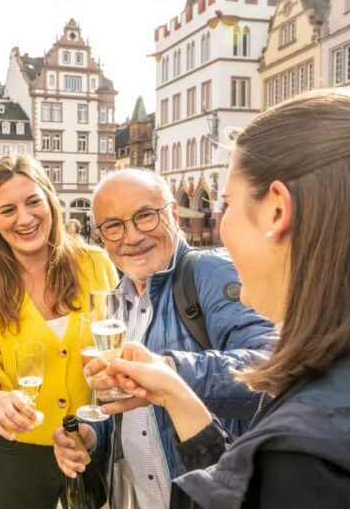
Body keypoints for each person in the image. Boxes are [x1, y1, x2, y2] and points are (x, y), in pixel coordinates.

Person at [93, 89, 350, 507]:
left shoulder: (309, 456)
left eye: (227, 203)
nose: (220, 226)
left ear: (276, 211)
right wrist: (176, 396)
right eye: (113, 226)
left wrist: (174, 371)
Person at [53, 168, 277, 508]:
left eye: (144, 216)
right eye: (114, 226)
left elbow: (271, 368)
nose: (131, 237)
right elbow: (122, 403)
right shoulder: (118, 301)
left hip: (206, 493)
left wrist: (171, 372)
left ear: (173, 214)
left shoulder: (209, 272)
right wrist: (92, 437)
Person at [0, 154, 119, 508]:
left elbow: (121, 341)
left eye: (33, 201)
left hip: (92, 442)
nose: (24, 218)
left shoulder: (95, 264)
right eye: (7, 210)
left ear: (51, 201)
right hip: (18, 453)